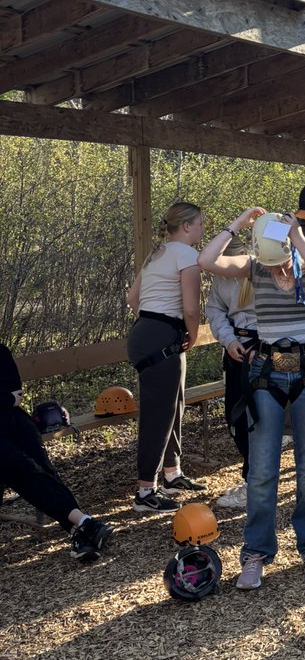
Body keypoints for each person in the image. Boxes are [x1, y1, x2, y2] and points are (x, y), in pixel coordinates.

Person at [198, 184, 305, 592]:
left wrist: (295, 236)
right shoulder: (254, 266)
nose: (275, 269)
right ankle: (256, 552)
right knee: (262, 470)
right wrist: (238, 224)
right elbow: (207, 261)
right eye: (270, 260)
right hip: (267, 372)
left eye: (278, 261)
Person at [126, 201, 206, 513]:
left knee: (175, 403)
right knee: (158, 414)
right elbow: (190, 308)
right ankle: (146, 491)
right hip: (163, 336)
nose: (201, 230)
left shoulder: (156, 254)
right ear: (186, 226)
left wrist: (153, 323)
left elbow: (133, 298)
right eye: (199, 224)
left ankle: (172, 473)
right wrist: (192, 334)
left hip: (147, 330)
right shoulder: (187, 255)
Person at [0, 343, 113, 561]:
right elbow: (8, 398)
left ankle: (80, 531)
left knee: (43, 468)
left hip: (13, 421)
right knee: (23, 467)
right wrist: (6, 399)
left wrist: (7, 400)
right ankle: (84, 523)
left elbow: (16, 394)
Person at [205, 235, 259, 510]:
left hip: (263, 352)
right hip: (236, 351)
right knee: (235, 416)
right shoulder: (220, 278)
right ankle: (255, 478)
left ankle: (255, 482)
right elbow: (215, 310)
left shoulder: (261, 271)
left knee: (257, 419)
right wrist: (229, 340)